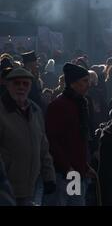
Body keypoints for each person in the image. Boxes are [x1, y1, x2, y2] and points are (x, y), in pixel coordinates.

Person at [0, 68, 56, 206]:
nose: (21, 87)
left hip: (30, 187)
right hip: (5, 187)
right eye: (17, 83)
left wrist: (49, 176)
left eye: (25, 84)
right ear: (8, 85)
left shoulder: (35, 110)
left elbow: (43, 146)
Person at [46, 63, 93, 206]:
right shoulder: (58, 105)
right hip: (65, 171)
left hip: (77, 169)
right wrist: (67, 166)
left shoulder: (81, 103)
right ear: (73, 82)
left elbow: (80, 139)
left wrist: (84, 166)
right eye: (85, 81)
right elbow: (52, 140)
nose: (88, 84)